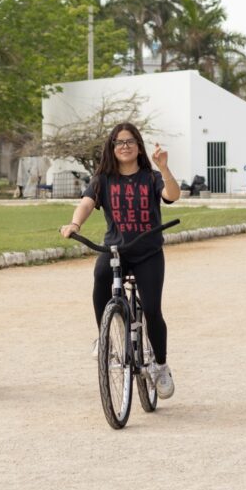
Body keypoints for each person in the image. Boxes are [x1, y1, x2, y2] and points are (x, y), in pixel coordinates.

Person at [60, 123, 181, 399]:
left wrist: (164, 167)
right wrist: (74, 224)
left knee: (151, 309)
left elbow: (172, 195)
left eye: (129, 141)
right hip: (116, 249)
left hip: (148, 250)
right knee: (101, 276)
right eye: (118, 142)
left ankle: (160, 365)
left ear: (138, 146)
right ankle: (105, 338)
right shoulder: (103, 178)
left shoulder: (151, 177)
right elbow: (87, 202)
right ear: (111, 149)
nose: (124, 146)